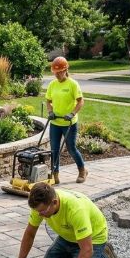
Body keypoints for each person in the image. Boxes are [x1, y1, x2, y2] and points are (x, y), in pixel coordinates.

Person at [9, 183, 117, 258]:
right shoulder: (40, 206)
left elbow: (86, 250)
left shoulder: (75, 210)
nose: (39, 214)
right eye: (37, 211)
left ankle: (105, 256)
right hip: (68, 237)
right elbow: (30, 233)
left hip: (93, 239)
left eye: (42, 212)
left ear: (54, 202)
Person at [46, 56, 87, 184]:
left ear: (65, 70)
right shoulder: (52, 84)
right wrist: (50, 111)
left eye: (59, 72)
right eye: (55, 72)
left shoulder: (73, 84)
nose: (57, 75)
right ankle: (55, 175)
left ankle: (82, 171)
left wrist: (72, 113)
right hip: (55, 123)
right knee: (54, 149)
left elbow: (81, 101)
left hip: (69, 123)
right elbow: (48, 100)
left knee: (71, 148)